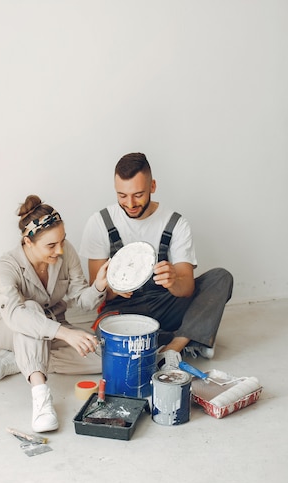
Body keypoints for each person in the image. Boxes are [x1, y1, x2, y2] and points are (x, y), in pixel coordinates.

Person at [79, 152, 233, 371]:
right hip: (123, 309)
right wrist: (113, 285)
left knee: (220, 278)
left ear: (153, 186)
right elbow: (96, 292)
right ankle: (191, 335)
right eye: (121, 195)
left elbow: (187, 288)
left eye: (138, 194)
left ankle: (173, 347)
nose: (130, 203)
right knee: (105, 333)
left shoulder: (176, 223)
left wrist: (173, 281)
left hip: (165, 302)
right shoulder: (100, 223)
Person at [0, 195, 109, 433]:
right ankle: (41, 397)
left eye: (62, 241)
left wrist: (98, 285)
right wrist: (65, 334)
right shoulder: (6, 265)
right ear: (28, 242)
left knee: (104, 357)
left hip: (55, 327)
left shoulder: (65, 253)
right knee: (31, 310)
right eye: (51, 245)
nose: (60, 250)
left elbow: (80, 300)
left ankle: (22, 361)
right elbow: (16, 314)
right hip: (11, 329)